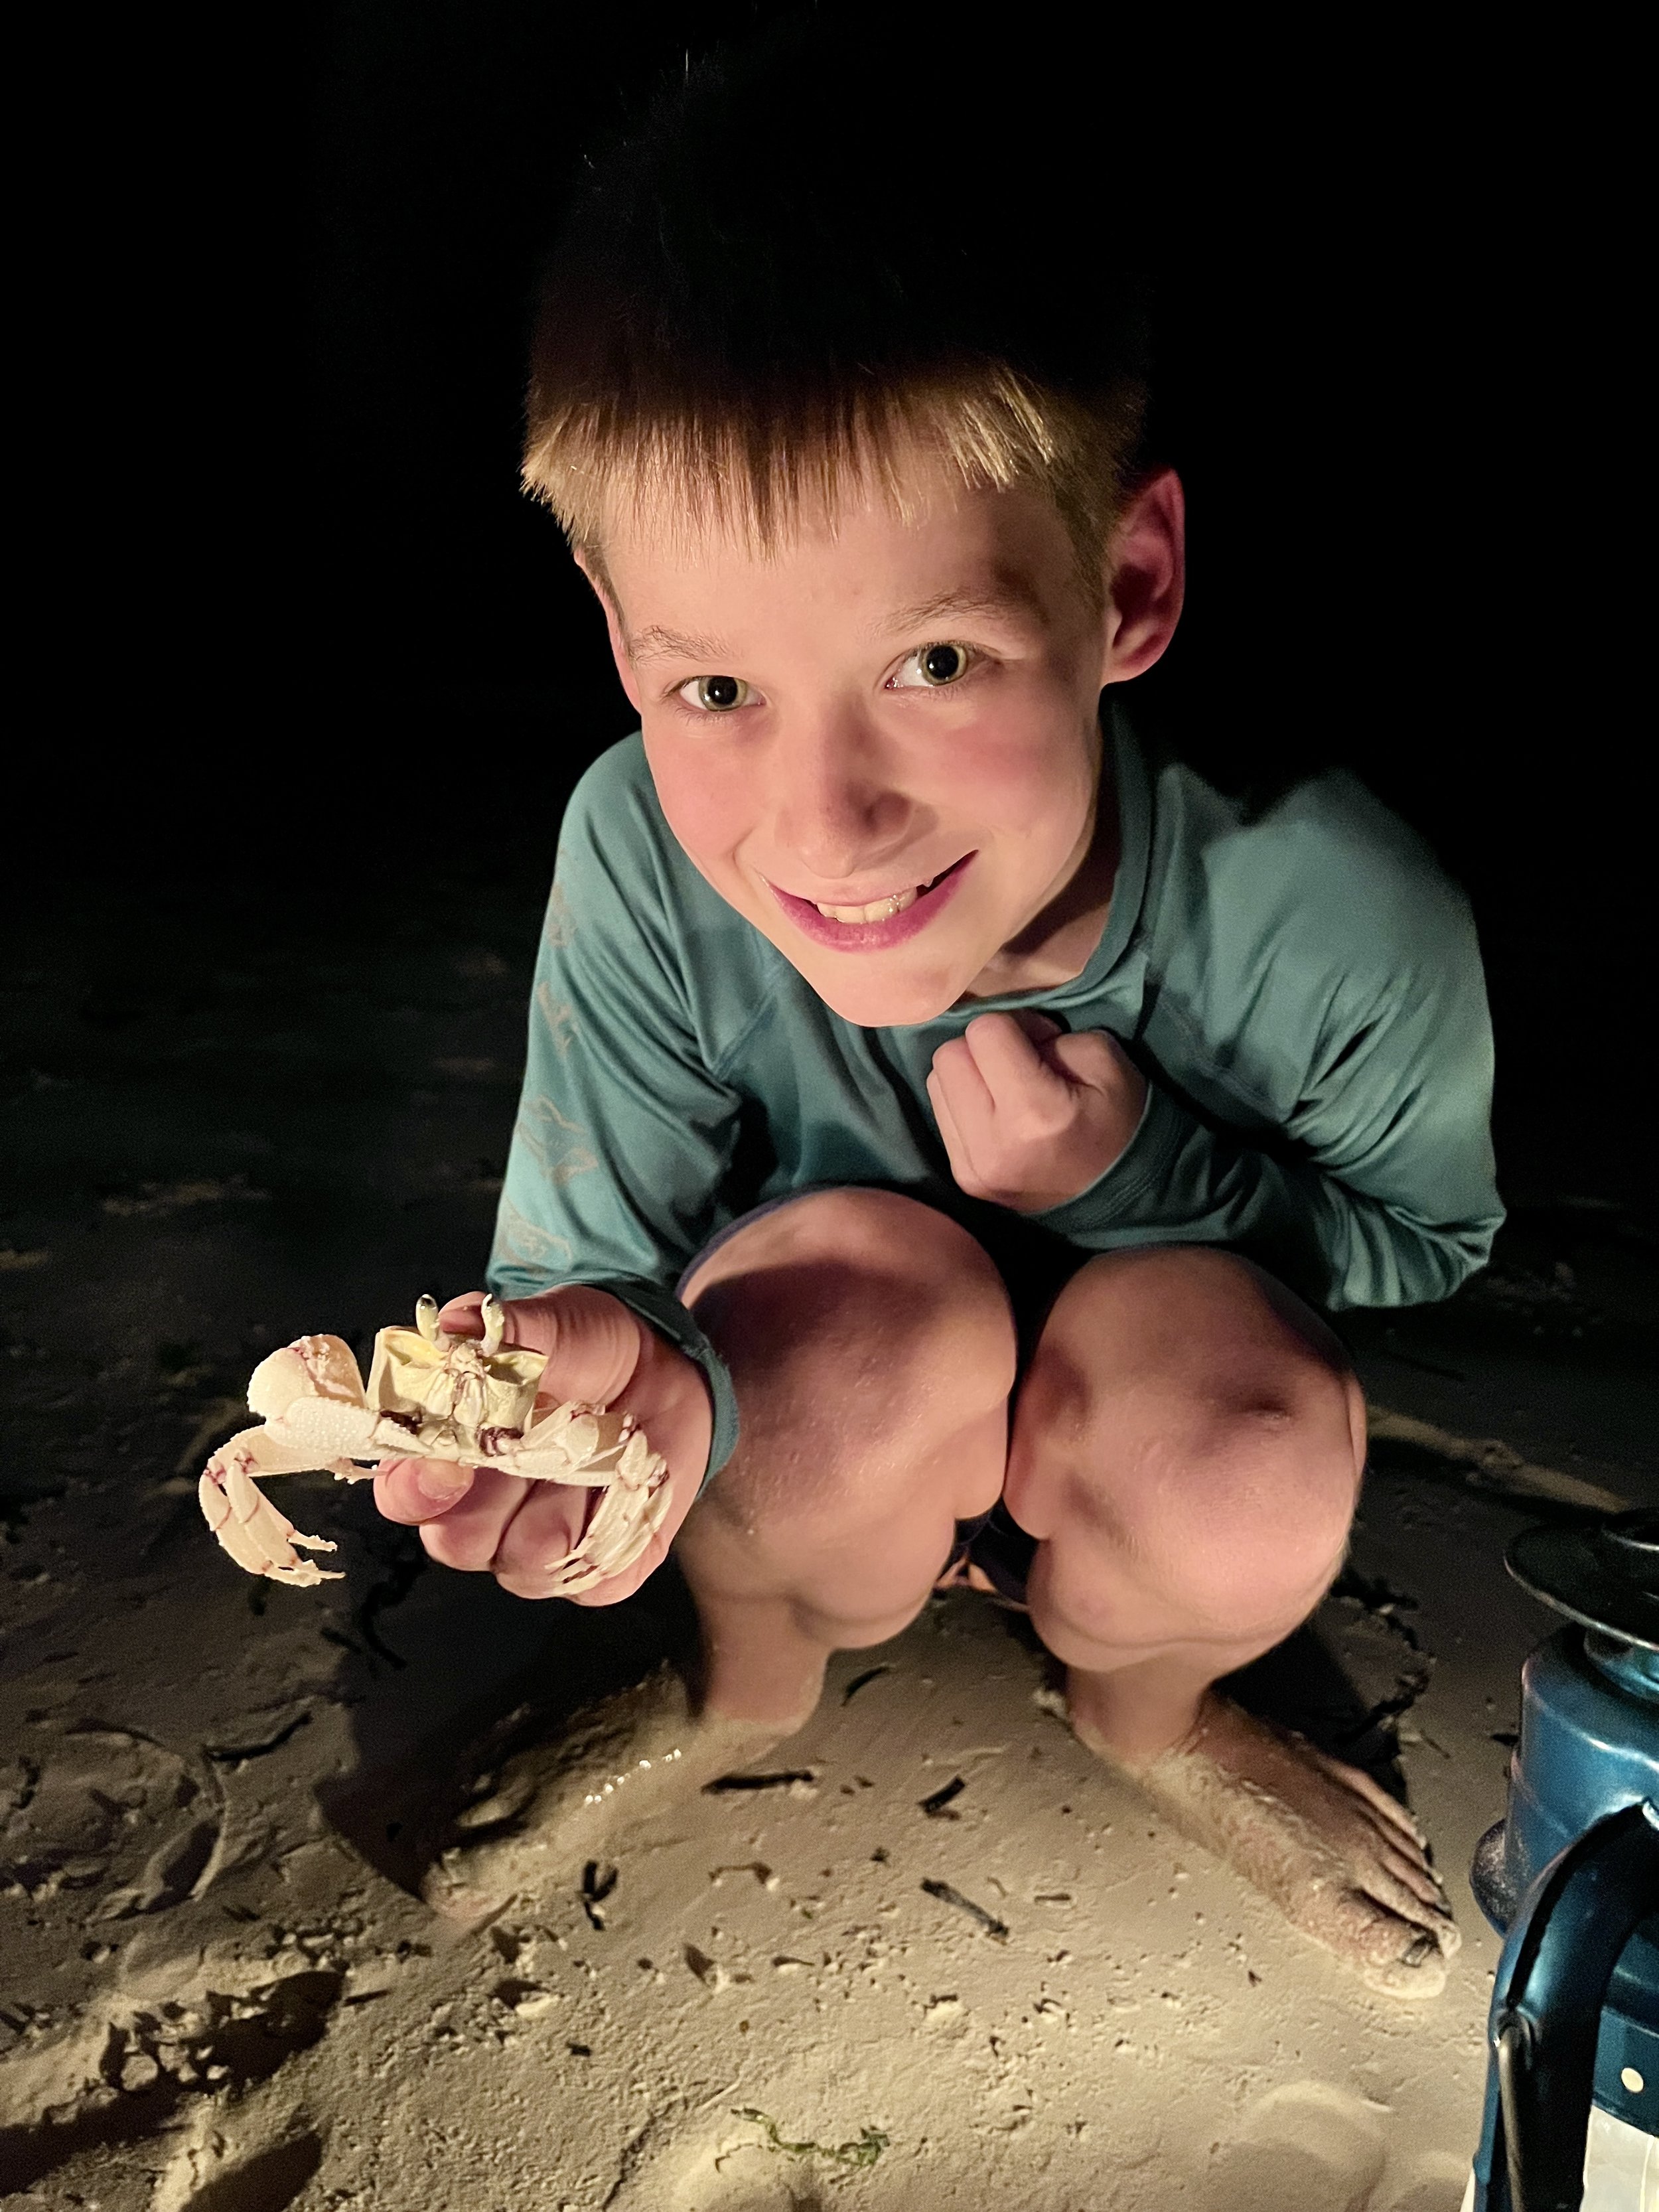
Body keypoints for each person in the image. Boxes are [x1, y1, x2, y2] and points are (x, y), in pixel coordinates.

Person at [372, 17, 1499, 1998]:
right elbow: (596, 1270)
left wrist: (1138, 1170)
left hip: (1142, 1394)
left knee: (1244, 1452)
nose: (824, 822)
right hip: (857, 1381)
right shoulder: (637, 848)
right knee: (846, 1315)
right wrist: (603, 1393)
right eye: (714, 689)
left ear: (1127, 585)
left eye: (938, 660)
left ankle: (1145, 1714)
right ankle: (743, 1679)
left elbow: (1425, 1241)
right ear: (625, 644)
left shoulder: (1329, 910)